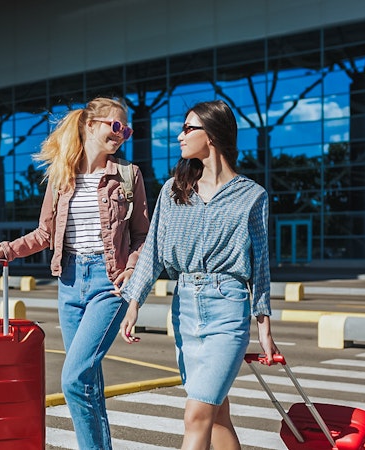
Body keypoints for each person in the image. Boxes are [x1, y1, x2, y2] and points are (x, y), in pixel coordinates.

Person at [0, 97, 150, 449]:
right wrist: (5, 251)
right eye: (115, 126)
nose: (122, 134)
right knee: (86, 385)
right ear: (90, 124)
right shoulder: (61, 177)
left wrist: (132, 269)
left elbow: (143, 235)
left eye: (126, 129)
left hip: (109, 283)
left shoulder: (128, 176)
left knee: (72, 378)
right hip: (69, 284)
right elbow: (44, 234)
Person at [118, 100, 279, 450]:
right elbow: (154, 252)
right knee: (217, 414)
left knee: (196, 415)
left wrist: (264, 327)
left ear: (213, 135)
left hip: (228, 310)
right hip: (186, 309)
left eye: (189, 128)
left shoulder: (252, 196)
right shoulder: (174, 190)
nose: (180, 136)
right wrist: (133, 302)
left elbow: (261, 265)